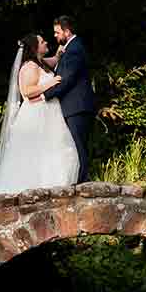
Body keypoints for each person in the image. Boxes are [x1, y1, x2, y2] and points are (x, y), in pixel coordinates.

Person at [0, 33, 81, 195]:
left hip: (49, 113)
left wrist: (59, 55)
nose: (46, 42)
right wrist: (50, 83)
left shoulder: (39, 62)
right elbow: (27, 91)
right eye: (42, 41)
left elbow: (53, 60)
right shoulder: (29, 67)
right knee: (36, 153)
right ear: (35, 47)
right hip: (37, 114)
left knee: (55, 151)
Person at [40, 15, 97, 183]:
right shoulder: (69, 49)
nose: (55, 36)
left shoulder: (75, 49)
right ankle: (80, 180)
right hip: (73, 106)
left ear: (67, 31)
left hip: (77, 106)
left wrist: (45, 95)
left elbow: (67, 79)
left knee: (79, 146)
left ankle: (82, 182)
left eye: (57, 32)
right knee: (75, 146)